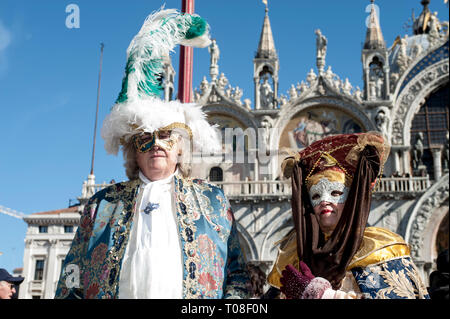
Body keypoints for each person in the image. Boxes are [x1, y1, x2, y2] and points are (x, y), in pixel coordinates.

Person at [54, 8, 250, 299]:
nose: (156, 143)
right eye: (145, 137)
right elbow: (73, 276)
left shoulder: (212, 201)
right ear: (132, 148)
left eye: (166, 135)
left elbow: (236, 274)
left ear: (180, 146)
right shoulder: (102, 205)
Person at [267, 132, 429, 299]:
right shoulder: (295, 256)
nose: (324, 201)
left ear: (352, 200)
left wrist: (325, 296)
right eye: (315, 196)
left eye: (335, 193)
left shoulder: (381, 251)